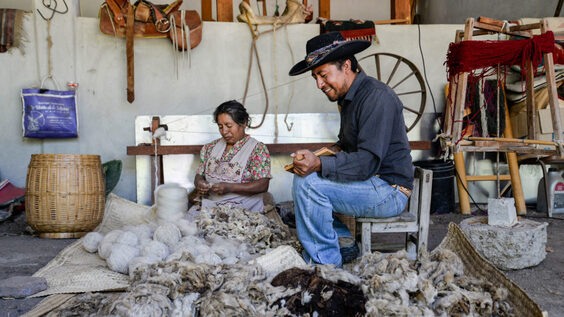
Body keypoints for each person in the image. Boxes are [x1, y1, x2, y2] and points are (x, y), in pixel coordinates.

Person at [288, 32, 414, 267]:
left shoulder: (376, 97)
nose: (319, 84)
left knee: (308, 185)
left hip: (389, 190)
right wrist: (316, 156)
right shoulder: (349, 98)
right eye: (315, 77)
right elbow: (346, 146)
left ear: (346, 65)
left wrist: (320, 165)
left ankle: (325, 265)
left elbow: (366, 163)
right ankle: (342, 240)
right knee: (304, 176)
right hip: (372, 182)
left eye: (323, 75)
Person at [193, 100, 272, 213]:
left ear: (243, 123)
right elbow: (199, 175)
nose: (224, 131)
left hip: (245, 211)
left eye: (229, 126)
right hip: (211, 208)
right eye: (220, 126)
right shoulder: (209, 148)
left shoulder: (257, 150)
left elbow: (263, 185)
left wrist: (231, 187)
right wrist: (199, 183)